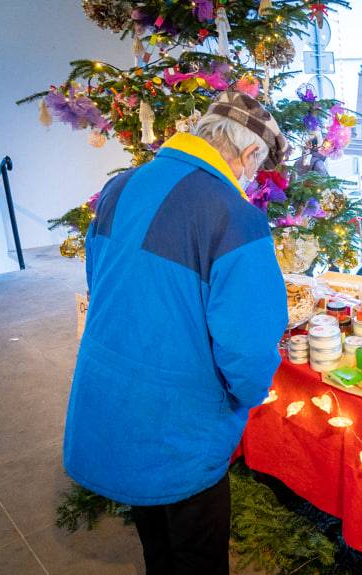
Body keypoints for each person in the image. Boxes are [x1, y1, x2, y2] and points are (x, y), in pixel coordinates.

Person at [63, 90, 289, 575]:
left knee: (157, 547)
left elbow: (100, 282)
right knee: (197, 555)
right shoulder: (235, 217)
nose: (251, 179)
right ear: (248, 154)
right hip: (180, 428)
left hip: (116, 407)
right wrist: (249, 395)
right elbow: (247, 347)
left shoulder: (121, 186)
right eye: (255, 167)